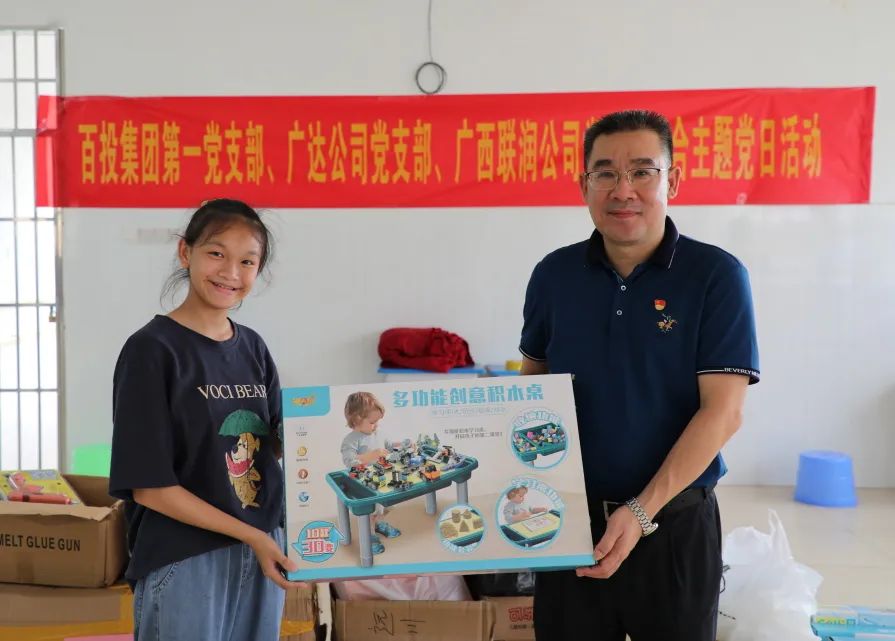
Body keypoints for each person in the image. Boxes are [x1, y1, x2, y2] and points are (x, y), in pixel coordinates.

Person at [519, 110, 759, 641]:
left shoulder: (715, 276)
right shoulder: (554, 275)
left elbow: (723, 412)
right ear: (583, 185)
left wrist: (640, 511)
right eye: (604, 172)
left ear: (672, 181)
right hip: (569, 525)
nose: (622, 189)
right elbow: (532, 389)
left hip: (673, 527)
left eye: (642, 172)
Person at [110, 198, 303, 641]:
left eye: (247, 261)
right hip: (186, 558)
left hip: (261, 548)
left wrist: (319, 431)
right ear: (186, 252)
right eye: (216, 253)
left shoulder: (252, 347)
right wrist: (252, 536)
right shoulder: (152, 350)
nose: (230, 272)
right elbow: (151, 487)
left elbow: (272, 443)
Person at [341, 391, 402, 554]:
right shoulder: (351, 440)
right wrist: (371, 455)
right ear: (356, 419)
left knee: (387, 505)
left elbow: (389, 447)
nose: (376, 425)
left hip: (382, 478)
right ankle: (370, 535)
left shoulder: (378, 433)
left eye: (378, 421)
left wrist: (402, 444)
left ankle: (379, 523)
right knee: (371, 511)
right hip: (364, 483)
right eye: (373, 422)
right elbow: (349, 461)